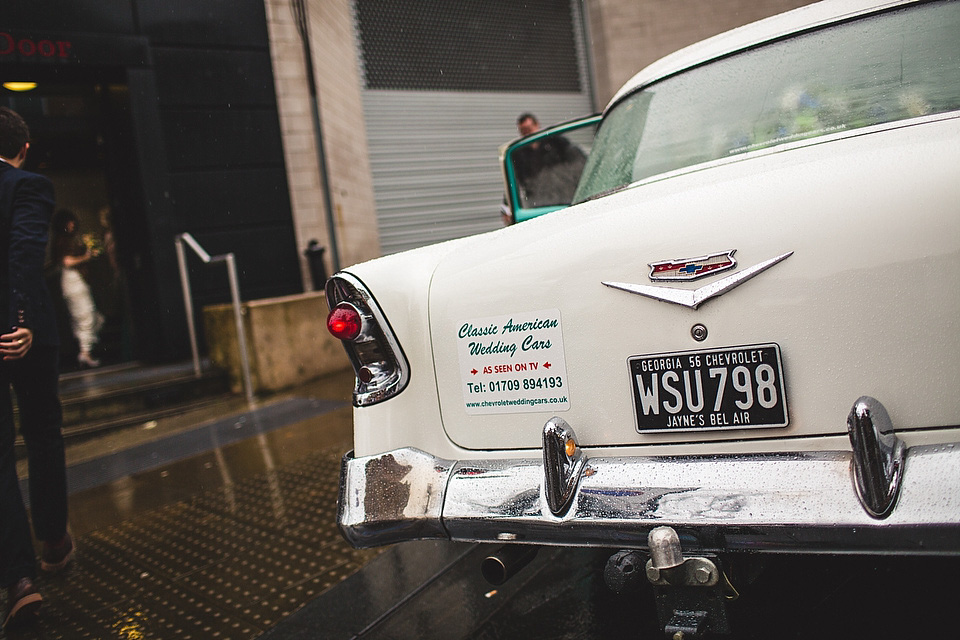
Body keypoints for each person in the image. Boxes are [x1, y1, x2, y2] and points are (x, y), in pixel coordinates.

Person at [0, 106, 73, 630]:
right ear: (22, 149)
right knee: (44, 433)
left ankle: (19, 580)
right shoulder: (28, 185)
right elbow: (24, 254)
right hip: (24, 333)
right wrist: (19, 320)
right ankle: (53, 542)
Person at [51, 208, 103, 368]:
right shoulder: (63, 241)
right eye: (69, 222)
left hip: (73, 282)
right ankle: (85, 352)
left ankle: (84, 351)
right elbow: (66, 262)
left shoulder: (64, 240)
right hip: (73, 281)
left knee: (89, 317)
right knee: (86, 315)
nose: (72, 224)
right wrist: (86, 257)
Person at [511, 113, 587, 209]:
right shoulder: (519, 154)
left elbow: (579, 163)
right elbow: (514, 181)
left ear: (537, 125)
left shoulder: (556, 142)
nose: (527, 134)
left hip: (566, 199)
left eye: (529, 129)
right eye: (523, 131)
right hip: (538, 203)